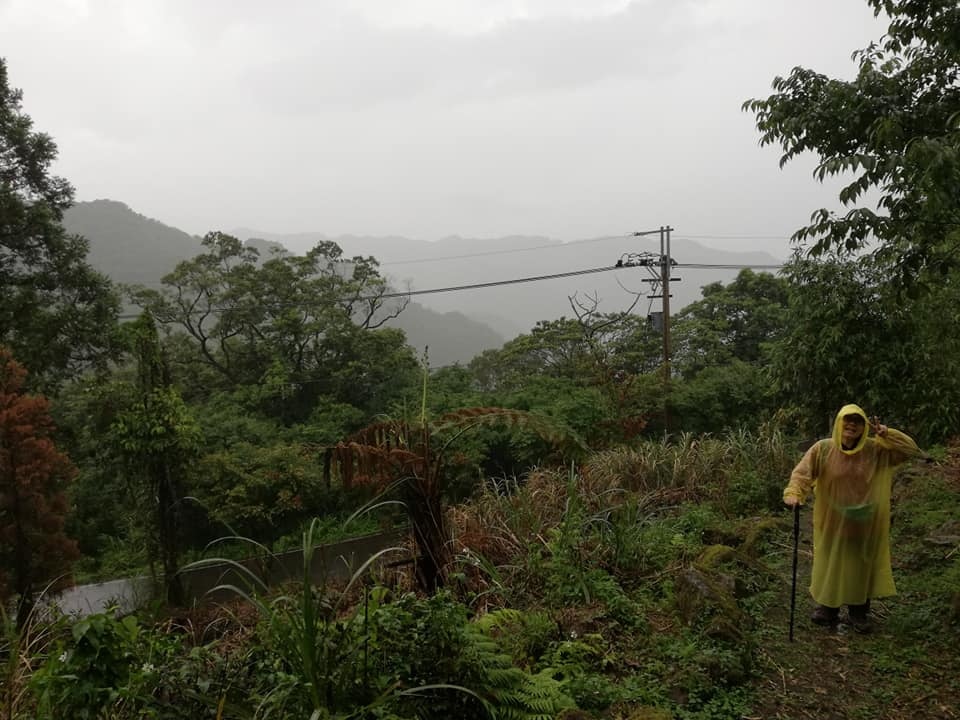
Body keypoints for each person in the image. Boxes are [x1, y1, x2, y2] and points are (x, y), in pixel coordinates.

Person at [783, 403, 921, 632]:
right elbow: (802, 475)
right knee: (830, 564)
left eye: (858, 421)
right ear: (839, 422)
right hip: (831, 520)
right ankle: (828, 608)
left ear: (864, 426)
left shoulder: (875, 450)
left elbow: (908, 451)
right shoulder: (823, 449)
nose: (852, 425)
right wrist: (793, 494)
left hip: (863, 522)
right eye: (848, 419)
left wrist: (888, 435)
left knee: (860, 567)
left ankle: (858, 612)